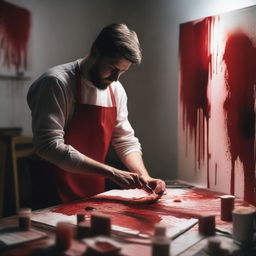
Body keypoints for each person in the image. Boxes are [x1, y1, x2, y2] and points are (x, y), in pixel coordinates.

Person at [27, 23, 166, 203]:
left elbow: (125, 140)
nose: (116, 78)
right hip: (53, 190)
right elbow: (48, 146)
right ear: (95, 51)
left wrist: (144, 177)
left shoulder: (115, 89)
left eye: (122, 72)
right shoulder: (56, 83)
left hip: (92, 191)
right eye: (112, 68)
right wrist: (112, 172)